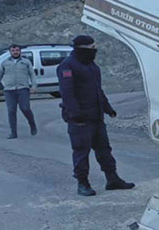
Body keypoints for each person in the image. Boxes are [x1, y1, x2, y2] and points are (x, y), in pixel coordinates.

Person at [58, 35, 135, 196]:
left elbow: (97, 90)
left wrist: (108, 108)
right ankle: (82, 183)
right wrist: (76, 114)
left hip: (96, 116)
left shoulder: (92, 66)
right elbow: (67, 94)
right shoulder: (67, 66)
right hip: (79, 120)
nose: (95, 51)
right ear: (82, 49)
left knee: (104, 150)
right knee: (81, 151)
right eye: (92, 48)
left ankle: (112, 179)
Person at [0, 43, 38, 139]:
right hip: (9, 90)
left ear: (20, 51)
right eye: (13, 51)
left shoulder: (26, 62)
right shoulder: (5, 63)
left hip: (23, 88)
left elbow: (32, 74)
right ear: (10, 52)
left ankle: (32, 124)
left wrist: (33, 86)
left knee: (25, 108)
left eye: (17, 50)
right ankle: (13, 132)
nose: (15, 52)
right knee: (11, 111)